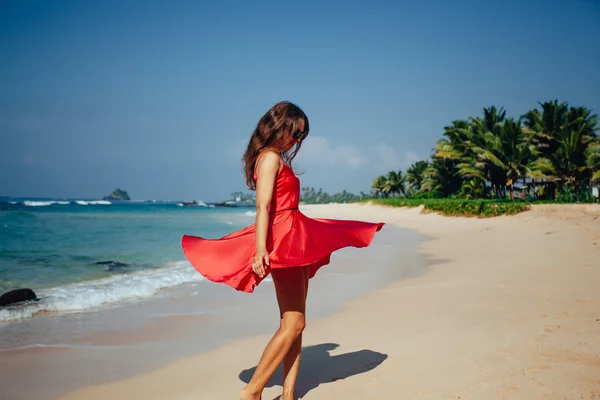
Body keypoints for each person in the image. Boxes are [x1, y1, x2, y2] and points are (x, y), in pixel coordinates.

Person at [181, 101, 384, 400]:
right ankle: (251, 391)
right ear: (278, 126)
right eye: (294, 132)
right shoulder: (269, 159)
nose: (296, 140)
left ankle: (288, 395)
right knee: (295, 322)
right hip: (283, 242)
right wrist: (260, 249)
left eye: (301, 136)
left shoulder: (277, 159)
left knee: (295, 325)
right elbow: (263, 207)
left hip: (296, 235)